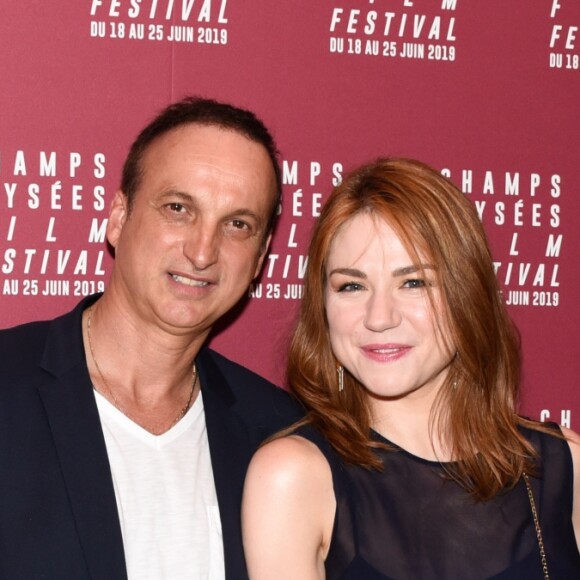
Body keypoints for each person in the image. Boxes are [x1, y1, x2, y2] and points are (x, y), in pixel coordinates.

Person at [0, 96, 302, 580]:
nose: (202, 251)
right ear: (119, 218)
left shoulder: (279, 434)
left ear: (262, 256)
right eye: (179, 208)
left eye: (237, 224)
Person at [242, 158, 580, 579]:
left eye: (414, 282)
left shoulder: (563, 464)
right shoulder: (293, 477)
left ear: (468, 294)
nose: (379, 317)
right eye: (351, 286)